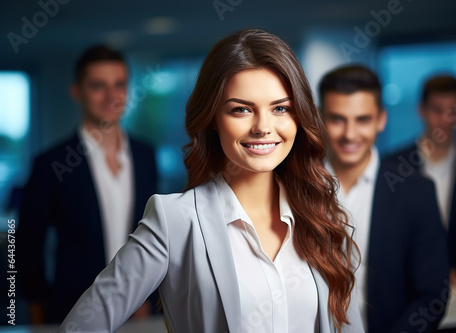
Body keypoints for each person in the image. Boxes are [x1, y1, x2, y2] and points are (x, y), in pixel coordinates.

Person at [59, 29, 364, 333]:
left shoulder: (323, 216)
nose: (263, 127)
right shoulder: (175, 220)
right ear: (213, 119)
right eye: (241, 109)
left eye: (280, 108)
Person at [17, 45, 158, 323]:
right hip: (73, 310)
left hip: (139, 310)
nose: (111, 96)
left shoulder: (145, 155)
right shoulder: (51, 163)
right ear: (77, 91)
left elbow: (154, 233)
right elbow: (27, 245)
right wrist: (38, 312)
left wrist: (151, 296)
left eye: (119, 85)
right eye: (98, 86)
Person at [319, 65, 449, 332]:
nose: (350, 134)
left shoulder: (417, 191)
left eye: (363, 119)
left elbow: (432, 296)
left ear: (381, 119)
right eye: (337, 119)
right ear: (320, 119)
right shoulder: (295, 187)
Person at [387, 75, 456, 285]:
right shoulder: (393, 166)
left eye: (454, 111)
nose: (446, 120)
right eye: (438, 110)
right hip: (404, 285)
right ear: (421, 110)